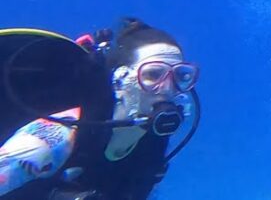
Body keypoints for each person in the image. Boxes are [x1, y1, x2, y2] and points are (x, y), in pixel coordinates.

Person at [0, 18, 200, 200]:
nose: (167, 88)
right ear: (120, 80)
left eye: (181, 76)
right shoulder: (55, 135)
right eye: (153, 74)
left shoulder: (152, 143)